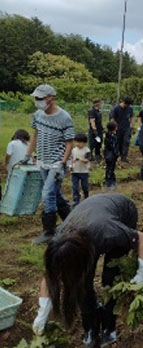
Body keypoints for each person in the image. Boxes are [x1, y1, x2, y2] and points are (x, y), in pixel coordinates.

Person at [31, 194, 143, 348]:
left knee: (111, 277)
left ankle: (109, 326)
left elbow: (141, 238)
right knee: (82, 285)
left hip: (121, 211)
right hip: (89, 218)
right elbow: (49, 276)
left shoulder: (109, 233)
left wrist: (142, 272)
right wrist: (42, 312)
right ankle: (90, 328)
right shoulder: (59, 245)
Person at [26, 84, 74, 245]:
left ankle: (49, 232)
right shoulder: (38, 115)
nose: (37, 101)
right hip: (42, 160)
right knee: (55, 194)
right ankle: (71, 222)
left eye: (39, 98)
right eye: (36, 98)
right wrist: (28, 154)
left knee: (47, 194)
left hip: (57, 162)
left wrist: (62, 163)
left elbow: (69, 142)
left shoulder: (64, 117)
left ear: (51, 98)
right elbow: (35, 134)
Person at [109, 96, 134, 163]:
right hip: (118, 128)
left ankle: (124, 156)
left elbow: (131, 117)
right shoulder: (116, 109)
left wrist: (131, 126)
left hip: (126, 128)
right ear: (124, 103)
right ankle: (118, 155)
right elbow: (112, 118)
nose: (128, 106)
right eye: (127, 105)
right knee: (119, 142)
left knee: (126, 141)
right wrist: (114, 128)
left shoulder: (130, 109)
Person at [70, 134, 91, 206]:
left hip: (84, 171)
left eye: (79, 142)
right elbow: (71, 160)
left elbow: (87, 160)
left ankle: (86, 198)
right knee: (75, 186)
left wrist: (80, 159)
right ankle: (76, 200)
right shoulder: (73, 150)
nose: (77, 144)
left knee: (84, 186)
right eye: (76, 142)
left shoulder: (87, 150)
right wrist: (71, 166)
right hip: (75, 171)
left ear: (84, 143)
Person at [104, 121, 119, 189]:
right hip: (111, 155)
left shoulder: (107, 135)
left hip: (107, 154)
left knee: (109, 168)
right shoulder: (113, 137)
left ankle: (111, 182)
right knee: (110, 168)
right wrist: (117, 154)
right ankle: (109, 183)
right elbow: (114, 147)